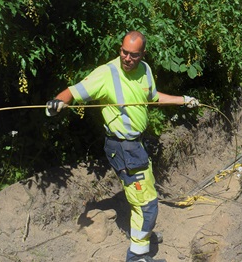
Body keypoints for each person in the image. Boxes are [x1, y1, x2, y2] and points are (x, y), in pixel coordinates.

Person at [45, 30, 198, 262]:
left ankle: (141, 241)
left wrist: (183, 100)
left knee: (144, 199)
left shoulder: (145, 70)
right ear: (120, 49)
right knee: (147, 205)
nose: (127, 58)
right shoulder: (107, 73)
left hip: (136, 145)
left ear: (142, 54)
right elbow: (73, 92)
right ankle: (136, 256)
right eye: (124, 52)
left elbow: (153, 97)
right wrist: (56, 103)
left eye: (133, 55)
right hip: (123, 148)